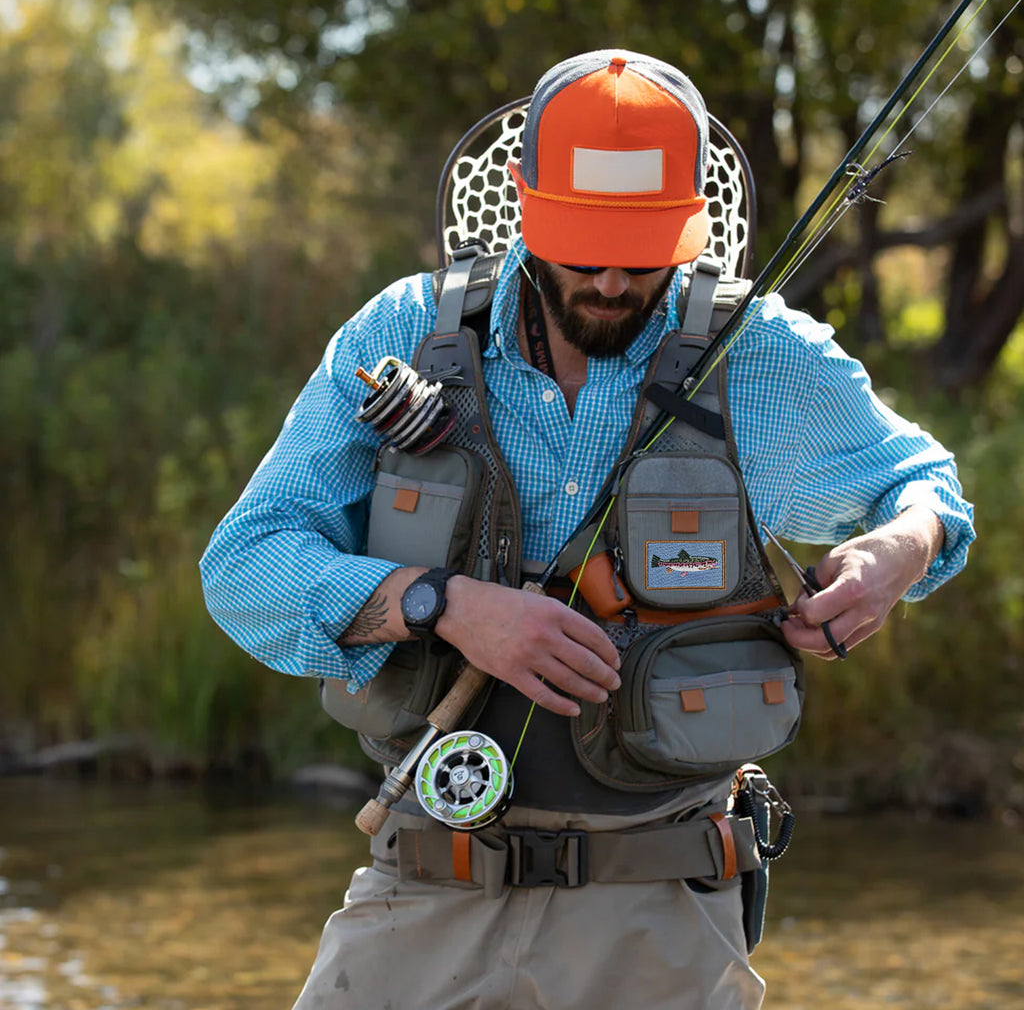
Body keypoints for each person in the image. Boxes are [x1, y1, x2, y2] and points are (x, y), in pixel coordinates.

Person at [200, 50, 974, 1010]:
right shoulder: (402, 330)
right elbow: (243, 566)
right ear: (523, 209)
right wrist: (443, 605)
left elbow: (925, 487)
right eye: (581, 245)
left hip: (663, 915)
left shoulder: (763, 353)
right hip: (424, 885)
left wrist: (896, 553)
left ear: (693, 226)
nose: (610, 279)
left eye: (641, 251)